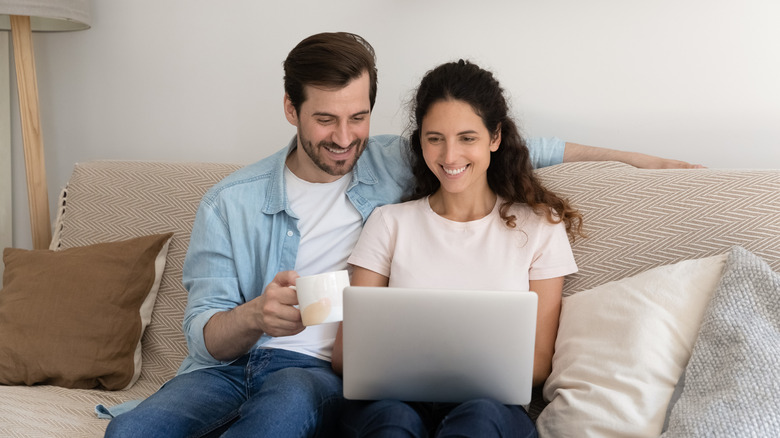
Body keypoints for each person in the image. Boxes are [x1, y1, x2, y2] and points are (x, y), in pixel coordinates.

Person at [105, 32, 698, 438]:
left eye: (358, 117)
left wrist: (648, 163)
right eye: (324, 119)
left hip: (308, 375)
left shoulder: (396, 159)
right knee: (130, 429)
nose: (344, 137)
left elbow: (503, 142)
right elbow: (204, 335)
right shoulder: (229, 202)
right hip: (231, 365)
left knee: (280, 418)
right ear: (291, 109)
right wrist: (256, 315)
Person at [330, 59, 583, 437]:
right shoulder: (389, 223)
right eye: (435, 139)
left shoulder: (539, 226)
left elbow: (537, 363)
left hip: (489, 408)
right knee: (393, 422)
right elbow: (345, 354)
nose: (449, 157)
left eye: (467, 138)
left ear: (494, 138)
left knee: (479, 420)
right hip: (393, 403)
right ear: (420, 141)